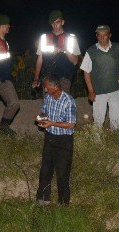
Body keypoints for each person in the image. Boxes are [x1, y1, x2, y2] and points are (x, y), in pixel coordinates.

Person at [80, 25, 119, 132]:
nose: (102, 38)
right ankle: (97, 144)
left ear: (110, 35)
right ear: (96, 36)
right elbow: (86, 72)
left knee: (116, 118)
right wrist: (90, 91)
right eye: (99, 36)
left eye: (105, 35)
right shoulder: (91, 51)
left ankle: (115, 139)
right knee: (98, 119)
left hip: (116, 90)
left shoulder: (118, 47)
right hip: (99, 92)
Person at [35, 76, 77, 206]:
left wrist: (52, 123)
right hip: (50, 138)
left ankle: (63, 203)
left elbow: (71, 124)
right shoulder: (49, 97)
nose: (45, 89)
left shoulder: (68, 101)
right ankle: (42, 200)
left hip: (64, 141)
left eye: (47, 87)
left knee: (62, 172)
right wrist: (40, 119)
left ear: (55, 87)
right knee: (45, 170)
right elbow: (44, 112)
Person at [32, 10, 81, 94]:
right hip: (48, 77)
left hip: (64, 78)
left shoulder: (71, 38)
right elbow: (40, 59)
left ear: (62, 22)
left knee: (64, 105)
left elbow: (75, 61)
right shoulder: (44, 38)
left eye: (57, 22)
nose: (55, 25)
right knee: (48, 106)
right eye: (52, 23)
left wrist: (65, 49)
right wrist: (36, 78)